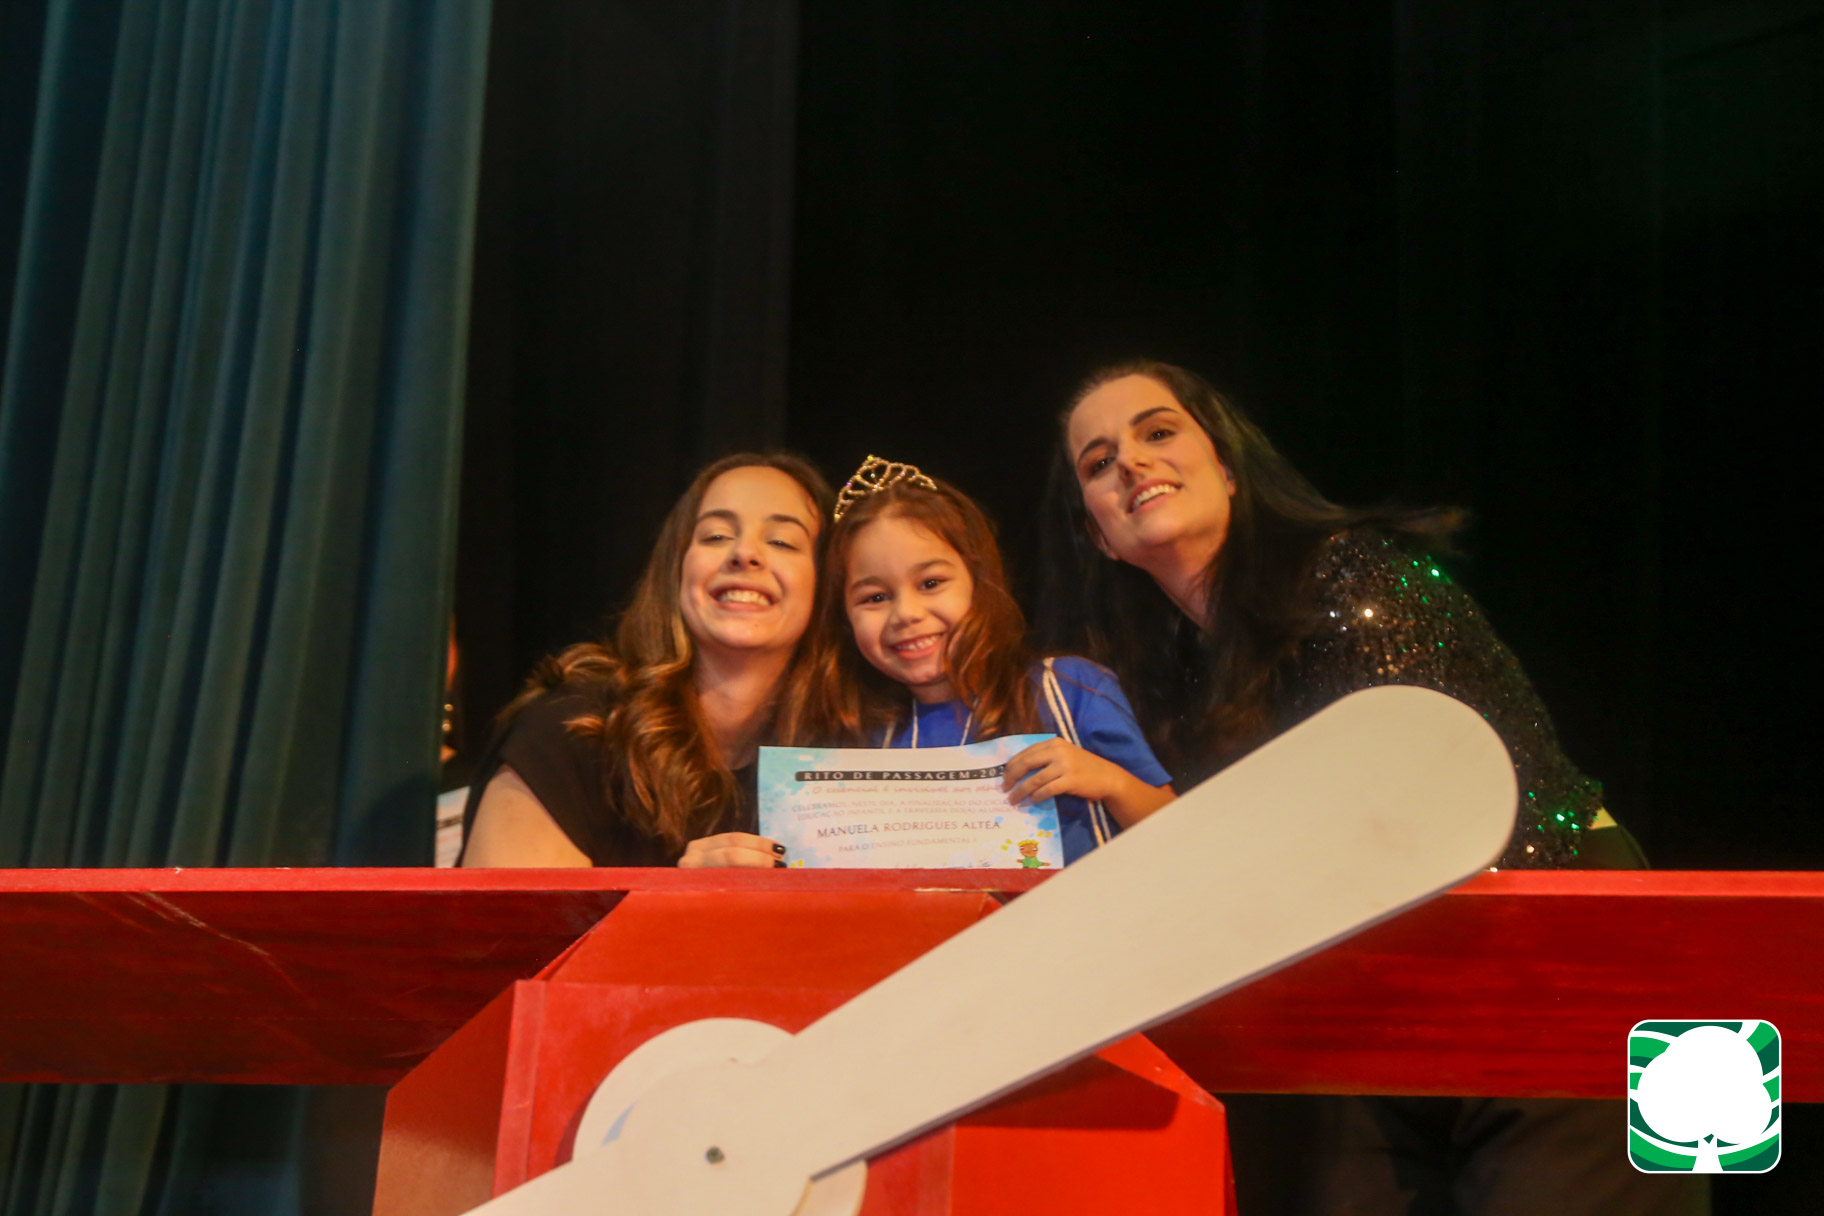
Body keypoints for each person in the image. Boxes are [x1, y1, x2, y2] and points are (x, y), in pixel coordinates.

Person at [1039, 360, 1701, 1214]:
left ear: (1229, 467)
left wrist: (1137, 801)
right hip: (1385, 986)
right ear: (1097, 533)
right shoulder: (1163, 679)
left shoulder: (1354, 575)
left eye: (1158, 432)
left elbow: (1382, 823)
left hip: (1575, 940)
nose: (1131, 462)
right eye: (1099, 462)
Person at [779, 455, 1173, 862]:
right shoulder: (854, 741)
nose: (906, 614)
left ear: (977, 581)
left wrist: (1112, 783)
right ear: (844, 616)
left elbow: (1181, 835)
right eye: (875, 597)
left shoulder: (1071, 689)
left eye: (931, 583)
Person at [461, 452, 833, 869]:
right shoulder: (573, 733)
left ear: (827, 583)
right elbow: (511, 914)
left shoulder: (855, 746)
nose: (744, 553)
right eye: (715, 536)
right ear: (676, 569)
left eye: (782, 542)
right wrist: (684, 899)